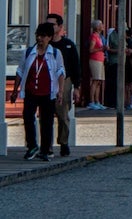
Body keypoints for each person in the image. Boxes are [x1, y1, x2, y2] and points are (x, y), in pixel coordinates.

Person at [14, 24, 65, 161]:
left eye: (43, 36)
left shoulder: (55, 53)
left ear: (49, 38)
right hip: (31, 91)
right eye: (38, 35)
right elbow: (20, 71)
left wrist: (60, 91)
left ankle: (45, 149)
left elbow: (60, 72)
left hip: (48, 92)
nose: (39, 38)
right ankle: (32, 145)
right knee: (28, 117)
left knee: (47, 121)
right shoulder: (29, 52)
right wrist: (15, 90)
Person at [47, 13, 80, 155]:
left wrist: (77, 87)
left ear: (60, 27)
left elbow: (75, 66)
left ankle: (63, 142)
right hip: (47, 80)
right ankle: (46, 145)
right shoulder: (43, 44)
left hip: (64, 81)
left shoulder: (68, 45)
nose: (49, 27)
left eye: (52, 24)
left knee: (63, 113)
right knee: (46, 114)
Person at [86, 19, 107, 109]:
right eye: (101, 24)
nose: (103, 26)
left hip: (101, 59)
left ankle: (97, 101)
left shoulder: (100, 36)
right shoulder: (94, 36)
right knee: (95, 80)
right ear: (97, 27)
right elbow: (91, 49)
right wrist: (101, 49)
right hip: (95, 59)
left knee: (99, 81)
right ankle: (91, 101)